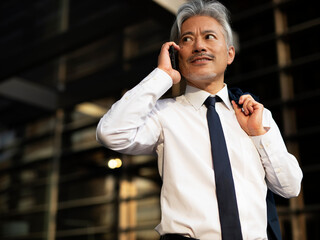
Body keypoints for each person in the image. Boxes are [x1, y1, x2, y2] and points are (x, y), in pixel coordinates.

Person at [96, 0, 303, 239]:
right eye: (187, 39)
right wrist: (162, 76)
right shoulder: (164, 115)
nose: (198, 46)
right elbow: (110, 132)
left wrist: (258, 134)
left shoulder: (255, 115)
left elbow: (290, 187)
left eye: (209, 36)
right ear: (177, 55)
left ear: (230, 54)